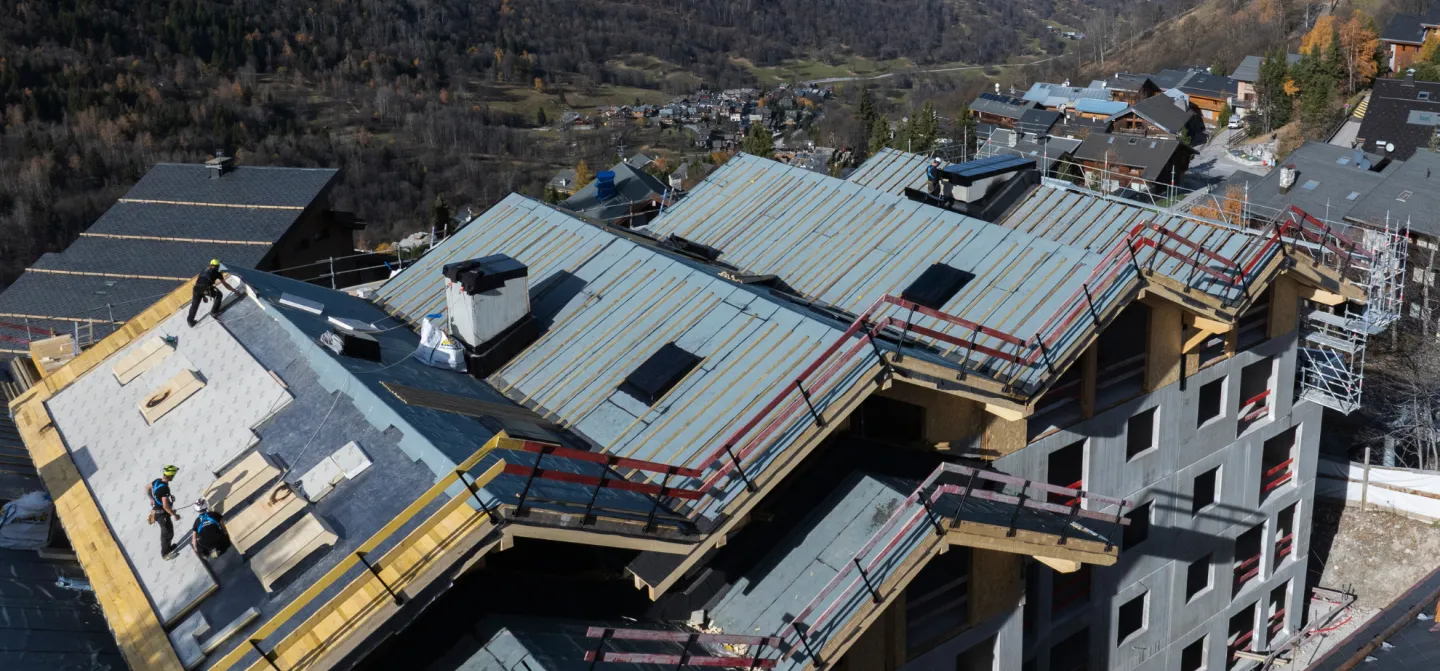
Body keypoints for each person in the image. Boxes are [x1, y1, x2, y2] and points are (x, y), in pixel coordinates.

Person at [187, 260, 243, 327]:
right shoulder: (217, 273)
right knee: (219, 295)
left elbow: (201, 282)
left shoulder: (204, 270)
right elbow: (226, 285)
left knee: (194, 304)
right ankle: (214, 312)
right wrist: (235, 291)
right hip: (205, 289)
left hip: (196, 288)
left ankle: (190, 321)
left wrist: (203, 296)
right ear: (217, 266)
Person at [147, 465, 181, 559]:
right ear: (171, 476)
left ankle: (168, 548)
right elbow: (165, 506)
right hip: (162, 515)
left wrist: (151, 498)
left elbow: (147, 487)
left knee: (167, 533)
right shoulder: (165, 488)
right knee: (167, 534)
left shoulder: (157, 481)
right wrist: (174, 515)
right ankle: (165, 554)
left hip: (157, 512)